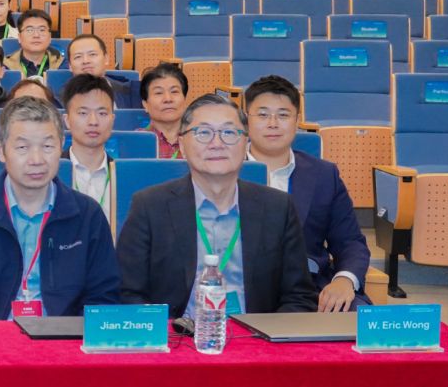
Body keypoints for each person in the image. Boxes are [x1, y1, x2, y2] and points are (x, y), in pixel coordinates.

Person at [116, 93, 318, 315]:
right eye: (203, 133)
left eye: (229, 132)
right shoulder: (149, 206)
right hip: (176, 333)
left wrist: (266, 335)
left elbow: (299, 296)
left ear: (245, 143)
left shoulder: (278, 208)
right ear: (182, 144)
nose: (217, 143)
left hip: (255, 333)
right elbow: (128, 293)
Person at [0, 94, 120, 320]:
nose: (37, 159)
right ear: (0, 150)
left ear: (61, 146)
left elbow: (103, 297)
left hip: (64, 338)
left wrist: (64, 335)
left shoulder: (87, 215)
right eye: (23, 147)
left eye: (47, 146)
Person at [242, 75, 372, 312]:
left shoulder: (324, 175)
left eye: (283, 115)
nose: (273, 123)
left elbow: (350, 242)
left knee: (357, 316)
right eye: (262, 115)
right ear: (246, 120)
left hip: (309, 288)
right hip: (240, 286)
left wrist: (344, 280)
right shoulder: (224, 170)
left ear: (297, 120)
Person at [60, 73, 120, 218]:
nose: (93, 121)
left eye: (102, 113)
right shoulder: (52, 173)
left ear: (112, 119)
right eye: (83, 113)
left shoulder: (123, 174)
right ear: (67, 120)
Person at [139, 61, 189, 159]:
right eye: (158, 93)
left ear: (185, 100)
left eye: (174, 91)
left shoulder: (199, 139)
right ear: (145, 105)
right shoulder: (135, 141)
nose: (168, 99)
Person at [6, 9, 63, 79]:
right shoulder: (5, 67)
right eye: (29, 30)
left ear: (50, 37)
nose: (36, 35)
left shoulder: (63, 65)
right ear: (19, 37)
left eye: (42, 30)